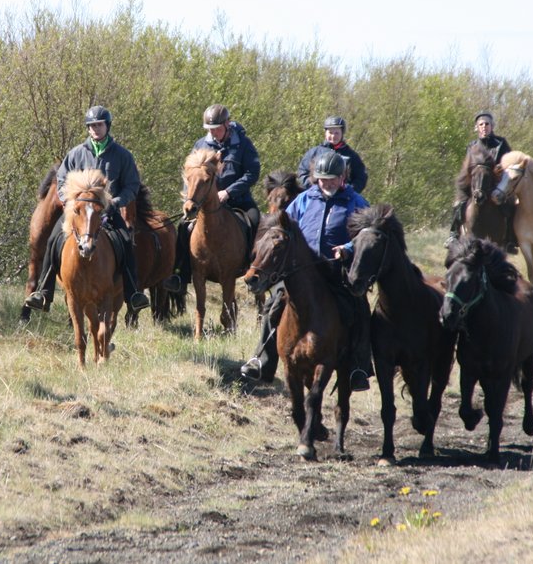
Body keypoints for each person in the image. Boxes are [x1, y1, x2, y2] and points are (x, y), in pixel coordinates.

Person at [240, 150, 373, 392]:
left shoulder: (355, 201)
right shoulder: (304, 200)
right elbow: (283, 225)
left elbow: (367, 234)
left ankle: (359, 368)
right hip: (302, 271)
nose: (326, 184)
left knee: (359, 309)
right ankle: (262, 360)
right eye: (322, 179)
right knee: (273, 306)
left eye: (331, 179)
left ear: (342, 177)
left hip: (336, 270)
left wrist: (347, 248)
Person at [24, 105, 151, 315]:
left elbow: (132, 185)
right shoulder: (76, 154)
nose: (95, 129)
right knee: (53, 240)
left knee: (126, 241)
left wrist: (116, 202)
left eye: (99, 125)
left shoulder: (122, 155)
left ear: (107, 126)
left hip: (108, 212)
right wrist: (70, 201)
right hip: (79, 214)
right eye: (91, 126)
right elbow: (62, 180)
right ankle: (44, 293)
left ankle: (132, 295)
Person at [163, 104, 262, 293]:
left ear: (227, 124)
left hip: (238, 200)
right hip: (205, 204)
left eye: (217, 128)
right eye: (210, 129)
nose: (213, 132)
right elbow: (190, 176)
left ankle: (253, 271)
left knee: (256, 221)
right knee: (183, 227)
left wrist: (229, 192)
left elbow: (252, 173)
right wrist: (189, 199)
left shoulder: (243, 144)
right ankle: (179, 273)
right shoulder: (200, 145)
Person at [446, 110, 514, 249]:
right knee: (459, 203)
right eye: (481, 124)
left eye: (487, 124)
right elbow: (467, 167)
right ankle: (454, 235)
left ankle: (510, 239)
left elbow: (509, 162)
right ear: (476, 127)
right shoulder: (472, 146)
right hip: (475, 183)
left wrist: (499, 170)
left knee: (511, 204)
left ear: (492, 126)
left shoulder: (501, 143)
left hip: (496, 183)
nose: (484, 127)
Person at [297, 115, 368, 193]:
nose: (333, 136)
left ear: (342, 133)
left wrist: (348, 190)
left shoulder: (351, 155)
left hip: (343, 197)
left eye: (337, 133)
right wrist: (315, 188)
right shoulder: (314, 152)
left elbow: (361, 177)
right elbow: (302, 173)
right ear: (325, 133)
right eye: (330, 133)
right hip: (316, 195)